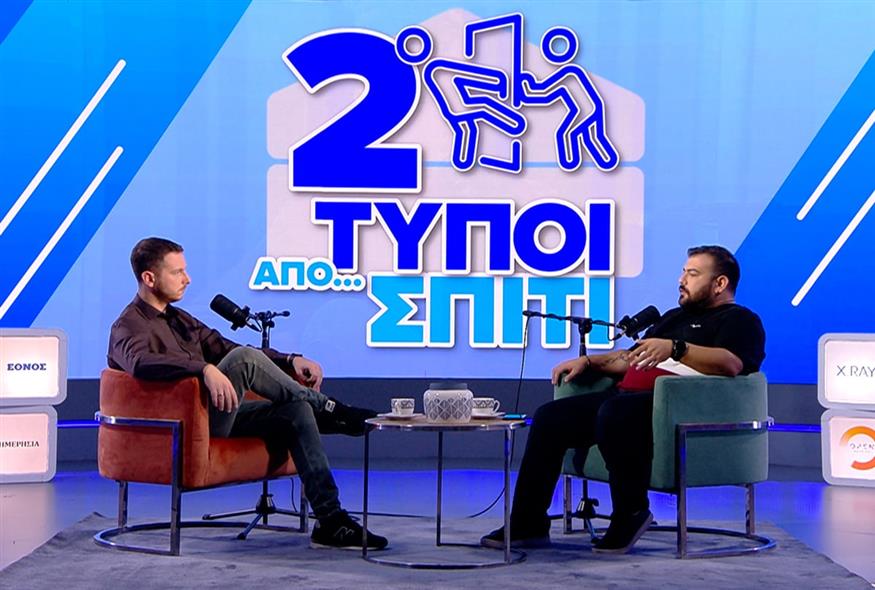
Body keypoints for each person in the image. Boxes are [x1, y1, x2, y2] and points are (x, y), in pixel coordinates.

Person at [107, 237, 388, 550]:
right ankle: (332, 410)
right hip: (182, 427)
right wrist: (203, 369)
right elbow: (140, 363)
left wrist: (290, 359)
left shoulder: (180, 319)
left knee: (296, 411)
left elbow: (226, 347)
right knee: (242, 360)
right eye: (177, 272)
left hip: (217, 412)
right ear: (149, 278)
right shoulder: (128, 325)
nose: (187, 279)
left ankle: (330, 521)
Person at [481, 245, 765, 553]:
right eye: (683, 272)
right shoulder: (673, 318)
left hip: (674, 407)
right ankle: (529, 522)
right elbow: (629, 359)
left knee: (615, 412)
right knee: (550, 417)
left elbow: (731, 364)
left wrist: (676, 348)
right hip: (625, 398)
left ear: (720, 283)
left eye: (693, 274)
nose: (682, 280)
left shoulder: (740, 320)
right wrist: (589, 361)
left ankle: (631, 513)